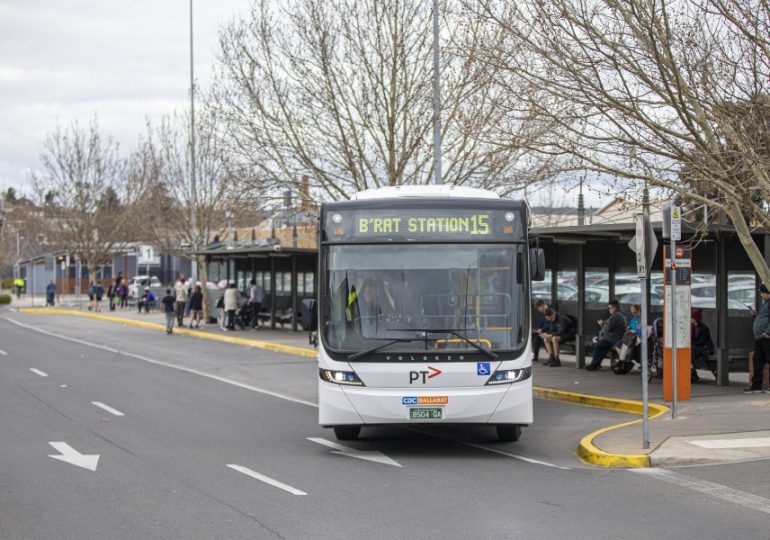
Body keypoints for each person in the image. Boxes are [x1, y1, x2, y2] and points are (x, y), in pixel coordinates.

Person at [586, 299, 627, 371]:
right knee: (600, 346)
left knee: (598, 346)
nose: (609, 310)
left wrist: (602, 324)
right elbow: (610, 325)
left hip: (613, 338)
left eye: (610, 308)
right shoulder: (620, 314)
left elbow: (609, 328)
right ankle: (596, 364)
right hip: (616, 337)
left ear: (614, 307)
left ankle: (594, 365)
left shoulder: (615, 316)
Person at [745, 283, 770, 394]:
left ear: (766, 292)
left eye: (761, 292)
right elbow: (764, 318)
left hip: (767, 337)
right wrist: (755, 315)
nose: (761, 295)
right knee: (757, 361)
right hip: (760, 338)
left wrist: (768, 332)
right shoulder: (766, 304)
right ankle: (756, 386)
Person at [690, 309, 714, 383]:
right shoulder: (693, 327)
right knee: (691, 352)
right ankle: (692, 370)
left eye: (692, 318)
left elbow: (702, 341)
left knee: (691, 352)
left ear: (696, 319)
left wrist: (692, 345)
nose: (691, 320)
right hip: (697, 348)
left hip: (705, 348)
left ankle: (692, 371)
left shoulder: (704, 328)